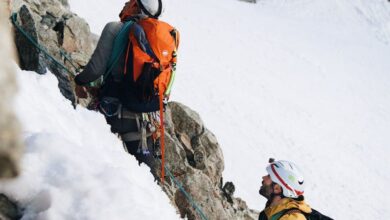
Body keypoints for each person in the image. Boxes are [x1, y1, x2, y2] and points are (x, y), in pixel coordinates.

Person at [74, 0, 178, 179]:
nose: (125, 3)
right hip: (145, 119)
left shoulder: (115, 29)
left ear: (137, 7)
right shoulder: (163, 40)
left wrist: (78, 81)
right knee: (146, 179)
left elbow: (95, 70)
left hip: (111, 111)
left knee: (85, 159)